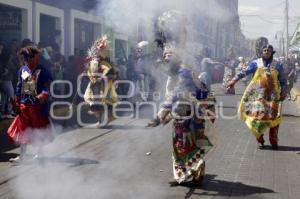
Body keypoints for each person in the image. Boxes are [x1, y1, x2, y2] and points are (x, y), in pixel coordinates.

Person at [148, 10, 215, 185]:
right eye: (165, 58)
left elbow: (175, 95)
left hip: (187, 113)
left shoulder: (183, 70)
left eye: (169, 58)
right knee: (187, 143)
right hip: (186, 113)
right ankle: (189, 172)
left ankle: (192, 171)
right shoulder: (177, 70)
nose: (166, 61)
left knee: (183, 143)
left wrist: (160, 115)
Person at [227, 44, 287, 150]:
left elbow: (283, 80)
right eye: (265, 50)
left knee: (274, 118)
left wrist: (284, 91)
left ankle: (274, 140)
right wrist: (233, 81)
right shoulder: (256, 63)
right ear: (261, 52)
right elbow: (243, 72)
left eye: (269, 50)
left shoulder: (278, 65)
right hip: (257, 96)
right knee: (257, 118)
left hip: (273, 96)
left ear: (272, 52)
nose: (267, 52)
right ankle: (259, 140)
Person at [8, 46, 54, 163]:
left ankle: (40, 154)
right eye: (25, 58)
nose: (26, 61)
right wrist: (16, 101)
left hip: (37, 107)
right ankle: (22, 156)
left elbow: (47, 87)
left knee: (38, 130)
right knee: (23, 131)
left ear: (35, 57)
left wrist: (42, 96)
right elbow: (20, 87)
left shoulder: (42, 70)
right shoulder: (23, 70)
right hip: (24, 106)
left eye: (28, 58)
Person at [83, 35, 118, 126]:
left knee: (104, 102)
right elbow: (90, 72)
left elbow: (112, 75)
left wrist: (101, 78)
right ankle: (100, 119)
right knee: (88, 98)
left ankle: (103, 119)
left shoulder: (105, 63)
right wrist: (86, 72)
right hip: (93, 85)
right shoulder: (92, 62)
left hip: (103, 86)